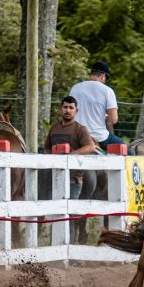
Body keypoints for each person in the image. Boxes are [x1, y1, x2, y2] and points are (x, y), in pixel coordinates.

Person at [44, 96, 97, 242]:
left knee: (70, 215)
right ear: (60, 109)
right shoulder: (54, 127)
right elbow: (47, 147)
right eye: (65, 107)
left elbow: (90, 147)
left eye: (71, 108)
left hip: (74, 178)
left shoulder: (80, 129)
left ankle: (69, 248)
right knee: (56, 213)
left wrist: (70, 156)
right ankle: (53, 247)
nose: (68, 110)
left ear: (76, 110)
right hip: (54, 177)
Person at [69, 61, 124, 149]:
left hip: (76, 135)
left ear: (91, 74)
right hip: (98, 137)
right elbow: (113, 120)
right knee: (125, 150)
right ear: (103, 76)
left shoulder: (75, 88)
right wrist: (107, 119)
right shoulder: (107, 91)